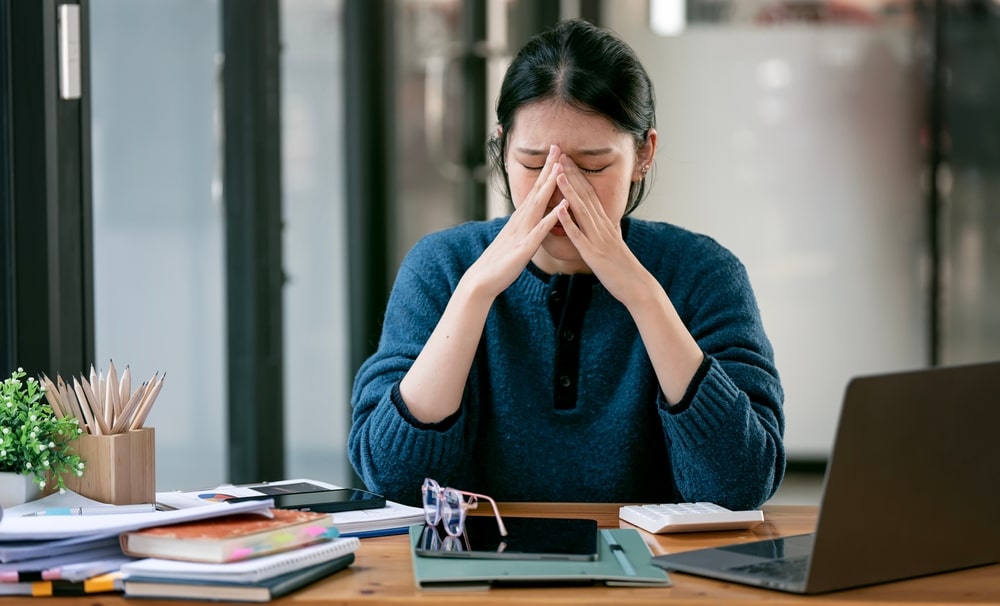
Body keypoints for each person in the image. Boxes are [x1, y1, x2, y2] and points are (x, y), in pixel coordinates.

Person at [348, 18, 784, 510]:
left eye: (593, 166)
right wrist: (474, 295)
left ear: (644, 153)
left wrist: (643, 295)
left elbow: (741, 485)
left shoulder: (703, 273)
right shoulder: (441, 267)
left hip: (660, 582)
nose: (559, 191)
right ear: (501, 149)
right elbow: (392, 480)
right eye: (534, 164)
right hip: (474, 577)